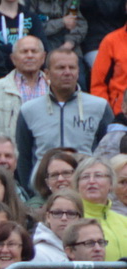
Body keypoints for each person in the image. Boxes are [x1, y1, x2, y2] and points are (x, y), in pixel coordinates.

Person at [14, 45, 108, 188]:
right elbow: (24, 157)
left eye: (72, 67)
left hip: (85, 188)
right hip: (43, 192)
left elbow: (108, 152)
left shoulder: (99, 107)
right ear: (47, 73)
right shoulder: (29, 110)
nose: (67, 72)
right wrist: (30, 190)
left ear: (78, 71)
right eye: (60, 68)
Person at [0, 35, 47, 138]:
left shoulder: (54, 87)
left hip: (47, 152)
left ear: (43, 57)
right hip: (9, 152)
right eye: (24, 52)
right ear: (13, 58)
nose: (30, 55)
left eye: (34, 51)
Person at [72, 154, 127, 264]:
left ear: (111, 184)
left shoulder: (124, 221)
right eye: (85, 177)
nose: (91, 181)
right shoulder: (73, 219)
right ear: (77, 185)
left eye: (98, 175)